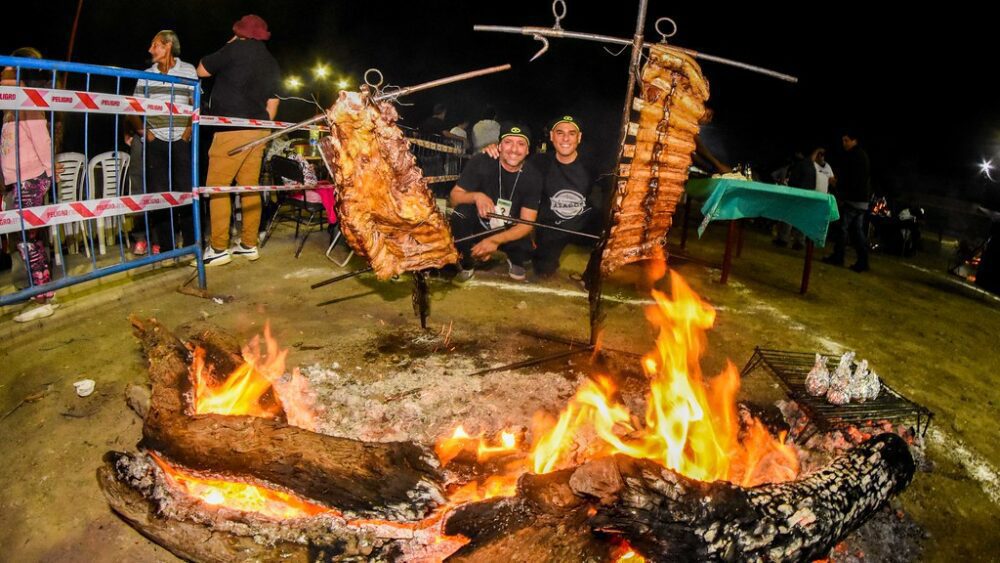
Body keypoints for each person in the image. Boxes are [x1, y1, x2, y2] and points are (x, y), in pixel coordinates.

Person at [196, 14, 281, 266]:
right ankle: (248, 244)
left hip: (231, 130)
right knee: (249, 187)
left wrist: (230, 44)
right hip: (259, 129)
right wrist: (263, 131)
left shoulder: (234, 49)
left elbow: (201, 69)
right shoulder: (271, 61)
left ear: (239, 32)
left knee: (217, 187)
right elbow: (273, 101)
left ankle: (218, 247)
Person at [128, 30, 198, 255]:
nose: (150, 49)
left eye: (155, 45)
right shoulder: (146, 75)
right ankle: (167, 247)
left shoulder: (188, 70)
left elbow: (195, 103)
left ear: (168, 46)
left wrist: (188, 131)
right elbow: (132, 106)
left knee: (185, 193)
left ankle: (191, 245)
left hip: (181, 141)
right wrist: (144, 133)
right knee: (160, 196)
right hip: (155, 141)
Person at [1, 47, 57, 322]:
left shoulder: (27, 103)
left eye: (6, 72)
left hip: (31, 179)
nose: (1, 77)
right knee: (26, 240)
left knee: (28, 241)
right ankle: (41, 293)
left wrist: (48, 173)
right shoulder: (10, 108)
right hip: (17, 181)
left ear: (20, 76)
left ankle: (42, 296)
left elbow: (42, 140)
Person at [449, 123, 542, 282]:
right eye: (508, 142)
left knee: (526, 250)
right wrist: (477, 196)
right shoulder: (481, 161)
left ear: (527, 150)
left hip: (509, 227)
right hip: (481, 225)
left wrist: (494, 241)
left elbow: (527, 223)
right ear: (499, 146)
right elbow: (454, 197)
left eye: (521, 144)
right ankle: (468, 260)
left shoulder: (533, 176)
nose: (514, 149)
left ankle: (513, 257)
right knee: (460, 213)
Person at [528, 115, 600, 279]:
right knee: (542, 270)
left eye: (571, 133)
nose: (565, 138)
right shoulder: (539, 162)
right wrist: (493, 152)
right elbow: (511, 168)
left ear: (579, 137)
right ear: (551, 136)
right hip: (553, 229)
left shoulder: (592, 165)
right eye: (560, 133)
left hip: (583, 229)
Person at [823, 131, 871, 272]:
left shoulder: (854, 156)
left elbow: (852, 179)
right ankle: (863, 261)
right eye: (843, 140)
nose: (844, 143)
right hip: (862, 200)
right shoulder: (862, 155)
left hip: (853, 199)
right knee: (857, 232)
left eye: (846, 140)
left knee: (842, 229)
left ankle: (838, 257)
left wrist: (837, 184)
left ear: (854, 141)